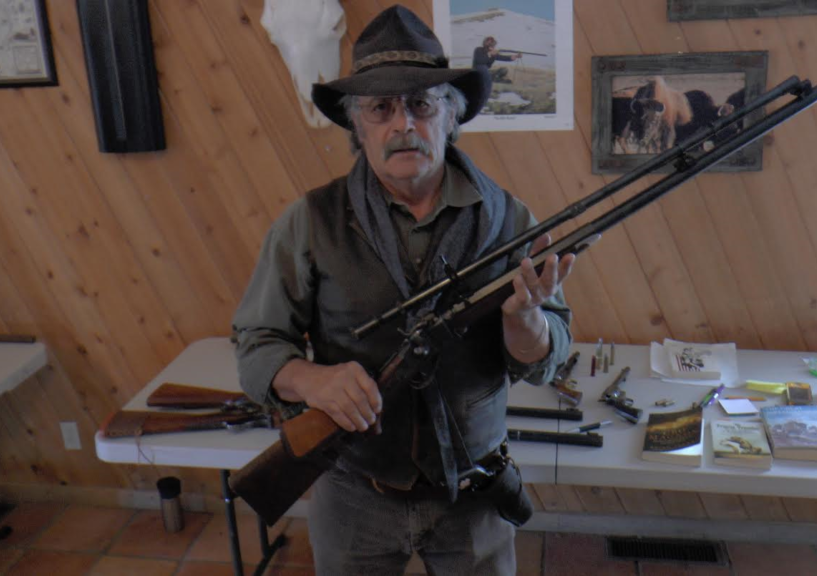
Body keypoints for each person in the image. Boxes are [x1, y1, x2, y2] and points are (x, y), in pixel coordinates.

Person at [232, 6, 575, 575]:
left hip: (473, 490)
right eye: (381, 108)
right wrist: (314, 380)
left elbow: (548, 359)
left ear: (450, 117)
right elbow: (255, 345)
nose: (403, 124)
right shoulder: (309, 222)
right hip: (353, 490)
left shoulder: (510, 220)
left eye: (421, 104)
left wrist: (526, 324)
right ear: (357, 126)